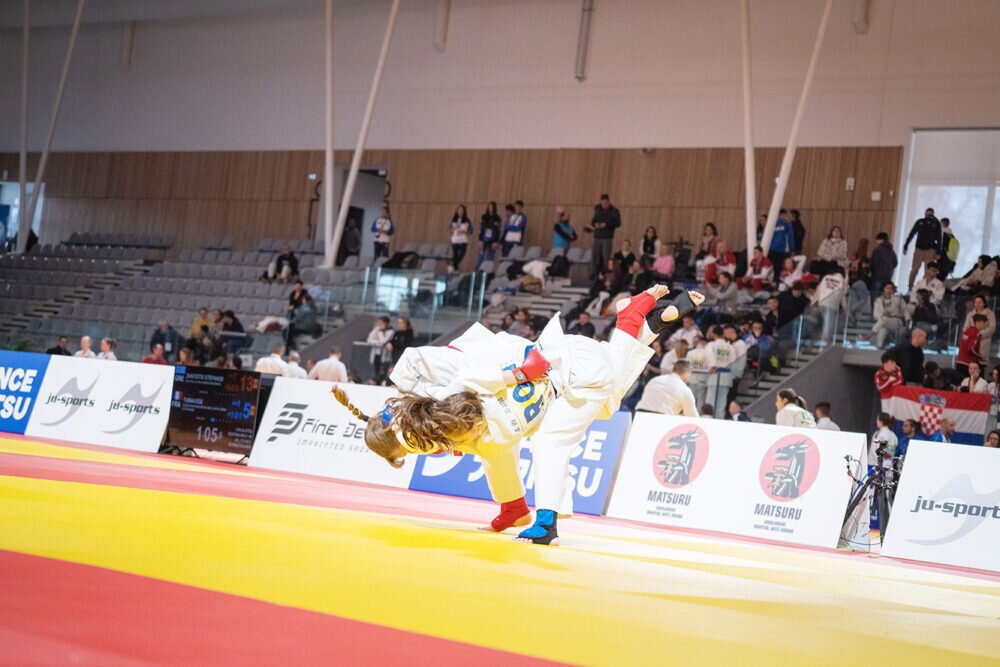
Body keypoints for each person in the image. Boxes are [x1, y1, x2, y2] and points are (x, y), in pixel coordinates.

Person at [334, 285, 704, 546]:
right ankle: (640, 324)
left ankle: (634, 318)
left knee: (559, 434)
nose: (424, 450)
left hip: (562, 367)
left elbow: (441, 372)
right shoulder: (463, 416)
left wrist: (520, 370)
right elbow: (488, 442)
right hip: (558, 372)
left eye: (412, 446)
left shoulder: (455, 383)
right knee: (604, 401)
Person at [902, 207, 942, 291]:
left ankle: (914, 288)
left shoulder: (921, 222)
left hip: (922, 249)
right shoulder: (935, 223)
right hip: (928, 250)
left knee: (917, 270)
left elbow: (912, 234)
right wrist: (938, 252)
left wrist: (906, 245)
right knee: (926, 271)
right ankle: (921, 289)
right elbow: (939, 239)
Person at [587, 194, 622, 278]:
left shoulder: (614, 211)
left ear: (608, 202)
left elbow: (618, 223)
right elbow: (593, 220)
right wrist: (595, 224)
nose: (603, 205)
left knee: (606, 257)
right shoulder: (597, 209)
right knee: (594, 256)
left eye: (605, 204)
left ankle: (606, 274)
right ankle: (594, 274)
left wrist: (606, 224)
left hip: (607, 237)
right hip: (597, 236)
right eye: (602, 203)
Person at [812, 267, 847, 346]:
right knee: (829, 324)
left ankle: (824, 341)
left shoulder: (826, 277)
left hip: (822, 301)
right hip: (831, 303)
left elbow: (819, 289)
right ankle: (825, 342)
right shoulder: (841, 279)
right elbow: (841, 294)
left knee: (825, 322)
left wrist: (814, 301)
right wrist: (844, 306)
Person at [869, 282, 907, 348]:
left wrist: (907, 323)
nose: (889, 290)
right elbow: (875, 314)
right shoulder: (878, 300)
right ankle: (879, 346)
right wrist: (883, 314)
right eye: (887, 288)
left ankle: (871, 334)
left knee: (884, 319)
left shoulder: (898, 299)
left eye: (891, 288)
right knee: (882, 330)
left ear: (893, 290)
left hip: (896, 322)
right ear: (884, 289)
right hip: (884, 323)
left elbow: (905, 311)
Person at [963, 294, 996, 360]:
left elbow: (992, 328)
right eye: (976, 303)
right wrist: (972, 334)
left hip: (983, 341)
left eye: (980, 302)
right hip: (971, 341)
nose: (977, 304)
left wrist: (979, 334)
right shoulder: (970, 314)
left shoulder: (990, 314)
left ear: (984, 303)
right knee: (970, 361)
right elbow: (965, 327)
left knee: (981, 361)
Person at [869, 232, 898, 296]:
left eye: (877, 239)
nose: (876, 241)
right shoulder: (892, 251)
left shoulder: (877, 250)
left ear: (881, 240)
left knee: (875, 298)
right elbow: (896, 263)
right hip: (888, 278)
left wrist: (871, 272)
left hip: (877, 278)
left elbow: (873, 263)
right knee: (884, 298)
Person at [449, 204, 473, 272]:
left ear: (464, 211)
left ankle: (453, 265)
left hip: (463, 240)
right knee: (455, 255)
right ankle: (455, 270)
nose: (460, 211)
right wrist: (453, 229)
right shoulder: (454, 219)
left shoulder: (467, 220)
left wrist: (464, 231)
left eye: (462, 210)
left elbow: (471, 230)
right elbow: (450, 228)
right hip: (455, 239)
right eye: (459, 210)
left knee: (462, 254)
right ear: (457, 211)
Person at [477, 202, 502, 268]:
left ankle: (488, 271)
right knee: (480, 256)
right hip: (484, 239)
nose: (490, 208)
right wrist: (480, 239)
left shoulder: (497, 218)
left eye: (492, 207)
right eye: (489, 207)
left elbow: (498, 231)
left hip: (492, 240)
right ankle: (478, 271)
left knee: (490, 257)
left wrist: (496, 241)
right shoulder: (483, 217)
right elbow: (480, 229)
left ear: (494, 208)